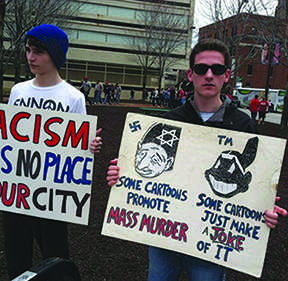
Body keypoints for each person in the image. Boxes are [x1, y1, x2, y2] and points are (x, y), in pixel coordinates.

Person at [106, 39, 287, 281]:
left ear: (227, 75)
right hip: (164, 234)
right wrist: (121, 176)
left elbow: (255, 180)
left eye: (217, 69)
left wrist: (264, 204)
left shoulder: (244, 125)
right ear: (191, 74)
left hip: (211, 239)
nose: (209, 75)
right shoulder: (170, 121)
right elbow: (143, 169)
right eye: (202, 69)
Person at [4, 24, 103, 279]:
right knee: (16, 255)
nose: (30, 58)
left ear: (55, 55)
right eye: (28, 50)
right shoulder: (18, 91)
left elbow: (80, 145)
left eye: (38, 52)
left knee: (56, 255)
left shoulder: (73, 97)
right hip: (18, 190)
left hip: (53, 194)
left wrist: (89, 146)